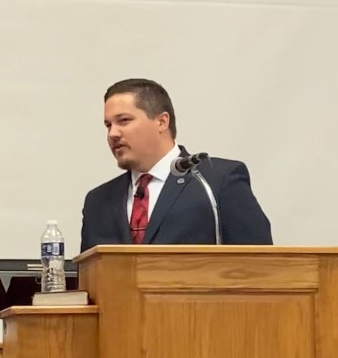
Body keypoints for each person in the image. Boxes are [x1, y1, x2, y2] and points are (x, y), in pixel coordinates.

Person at [80, 78, 272, 250]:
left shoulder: (215, 182)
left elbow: (259, 264)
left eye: (123, 120)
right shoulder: (98, 202)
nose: (113, 133)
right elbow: (88, 273)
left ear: (162, 122)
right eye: (108, 125)